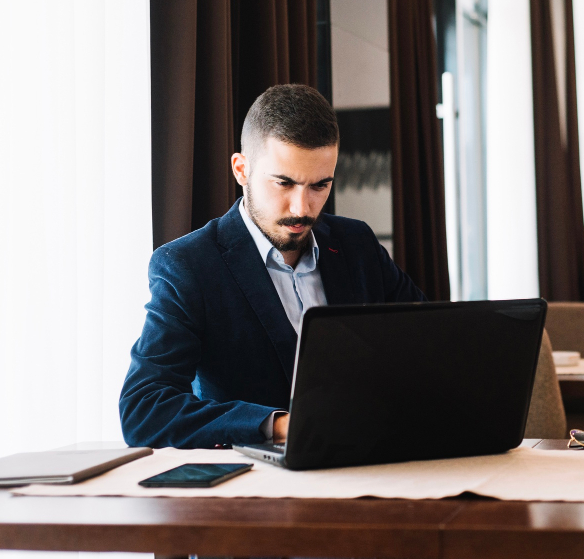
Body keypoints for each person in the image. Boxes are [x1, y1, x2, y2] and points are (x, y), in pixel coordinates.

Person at [119, 84, 425, 448]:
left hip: (373, 459)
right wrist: (279, 425)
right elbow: (143, 411)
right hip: (257, 487)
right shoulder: (188, 266)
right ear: (241, 169)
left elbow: (432, 345)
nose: (302, 207)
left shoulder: (357, 245)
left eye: (320, 185)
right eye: (284, 183)